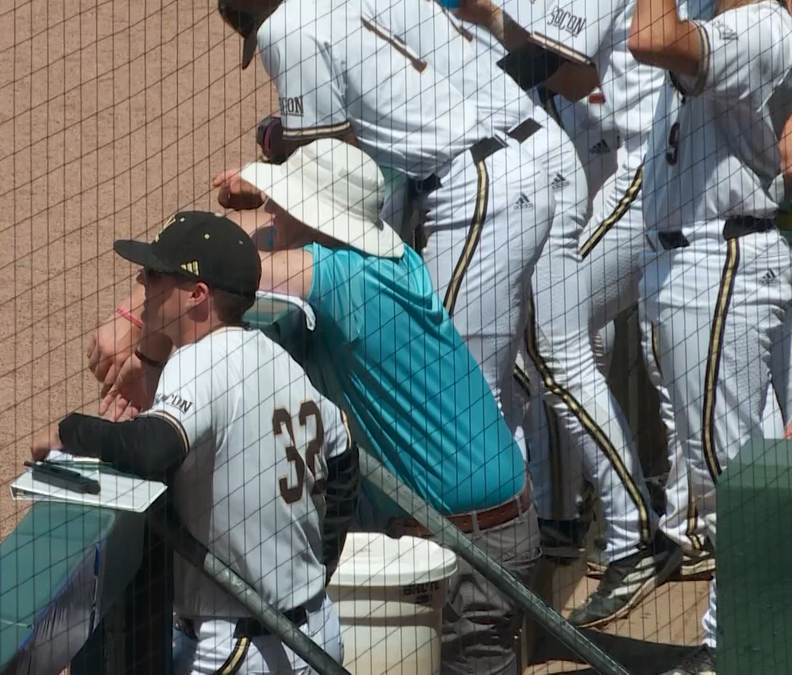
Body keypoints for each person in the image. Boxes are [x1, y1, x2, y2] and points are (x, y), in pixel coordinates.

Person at [91, 140, 541, 675]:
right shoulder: (378, 260)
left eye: (281, 204)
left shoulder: (351, 277)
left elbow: (240, 271)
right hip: (445, 530)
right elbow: (243, 259)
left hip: (474, 545)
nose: (270, 213)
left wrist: (134, 321)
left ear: (314, 220)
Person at [34, 211, 360, 675]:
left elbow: (153, 446)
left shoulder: (198, 361)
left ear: (197, 295)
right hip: (316, 631)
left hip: (236, 647)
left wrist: (70, 431)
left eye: (155, 275)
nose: (142, 284)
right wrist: (319, 565)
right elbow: (344, 449)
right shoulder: (276, 357)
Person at [214, 0, 553, 444]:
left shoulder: (284, 27)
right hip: (487, 176)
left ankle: (495, 510)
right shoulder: (321, 8)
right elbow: (343, 145)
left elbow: (327, 169)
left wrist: (263, 183)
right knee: (476, 382)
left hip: (475, 190)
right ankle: (510, 507)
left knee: (461, 387)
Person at [457, 0, 688, 627]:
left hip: (642, 169)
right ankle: (562, 517)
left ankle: (633, 533)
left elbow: (571, 72)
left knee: (552, 336)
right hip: (603, 161)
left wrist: (482, 23)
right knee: (549, 336)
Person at [629, 0, 792, 669]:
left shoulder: (763, 25)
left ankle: (736, 647)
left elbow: (648, 36)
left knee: (732, 481)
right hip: (707, 257)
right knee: (747, 472)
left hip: (720, 263)